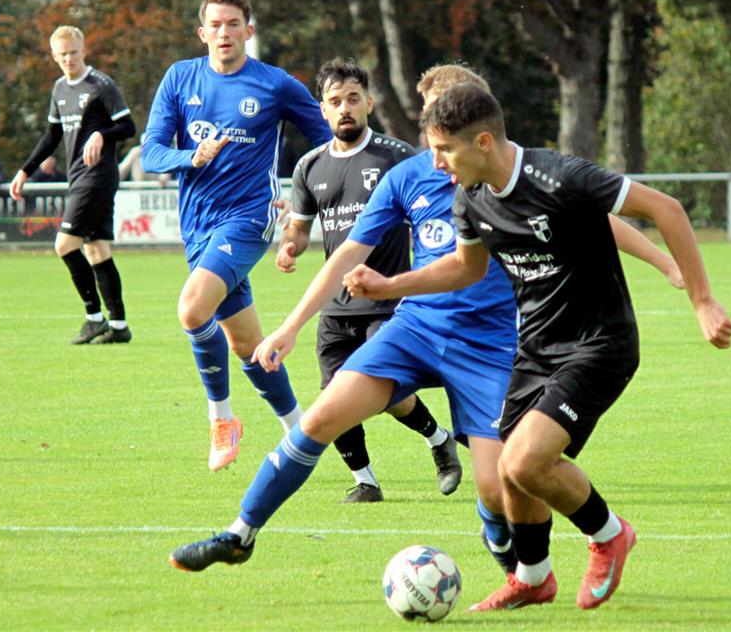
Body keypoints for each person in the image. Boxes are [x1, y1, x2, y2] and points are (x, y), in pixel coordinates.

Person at [167, 64, 684, 577]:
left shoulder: (502, 174)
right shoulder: (408, 177)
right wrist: (292, 325)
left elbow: (602, 218)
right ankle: (240, 534)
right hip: (414, 330)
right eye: (430, 120)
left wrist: (664, 261)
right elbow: (347, 254)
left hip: (490, 343)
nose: (435, 138)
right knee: (321, 417)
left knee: (497, 486)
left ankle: (506, 548)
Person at [344, 83, 731, 612]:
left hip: (599, 344)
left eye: (444, 150)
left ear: (483, 141)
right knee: (509, 469)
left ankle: (609, 535)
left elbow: (665, 209)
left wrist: (703, 300)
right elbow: (466, 268)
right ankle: (533, 577)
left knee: (526, 462)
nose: (436, 164)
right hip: (536, 347)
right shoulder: (471, 198)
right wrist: (390, 285)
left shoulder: (560, 178)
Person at [140, 0, 332, 472]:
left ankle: (221, 419)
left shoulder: (275, 84)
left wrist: (303, 194)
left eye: (233, 24)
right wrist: (192, 156)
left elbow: (328, 141)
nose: (224, 33)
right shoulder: (180, 78)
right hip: (198, 224)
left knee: (191, 308)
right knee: (248, 346)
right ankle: (300, 433)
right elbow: (152, 153)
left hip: (250, 217)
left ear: (249, 30)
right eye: (215, 25)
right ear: (202, 33)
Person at [279, 58, 461, 503]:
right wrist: (289, 245)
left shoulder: (397, 159)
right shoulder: (309, 167)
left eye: (353, 99)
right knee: (332, 398)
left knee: (382, 390)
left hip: (391, 302)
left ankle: (438, 439)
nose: (345, 108)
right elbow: (300, 229)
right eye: (335, 101)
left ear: (370, 104)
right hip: (336, 307)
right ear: (323, 110)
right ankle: (366, 481)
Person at [9, 26, 136, 346]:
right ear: (54, 56)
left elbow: (128, 126)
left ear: (84, 50)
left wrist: (101, 134)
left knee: (64, 245)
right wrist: (25, 170)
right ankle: (119, 326)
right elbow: (52, 136)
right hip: (78, 176)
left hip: (98, 176)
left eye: (74, 52)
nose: (69, 59)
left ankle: (94, 318)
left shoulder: (100, 85)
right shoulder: (59, 89)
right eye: (62, 54)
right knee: (96, 250)